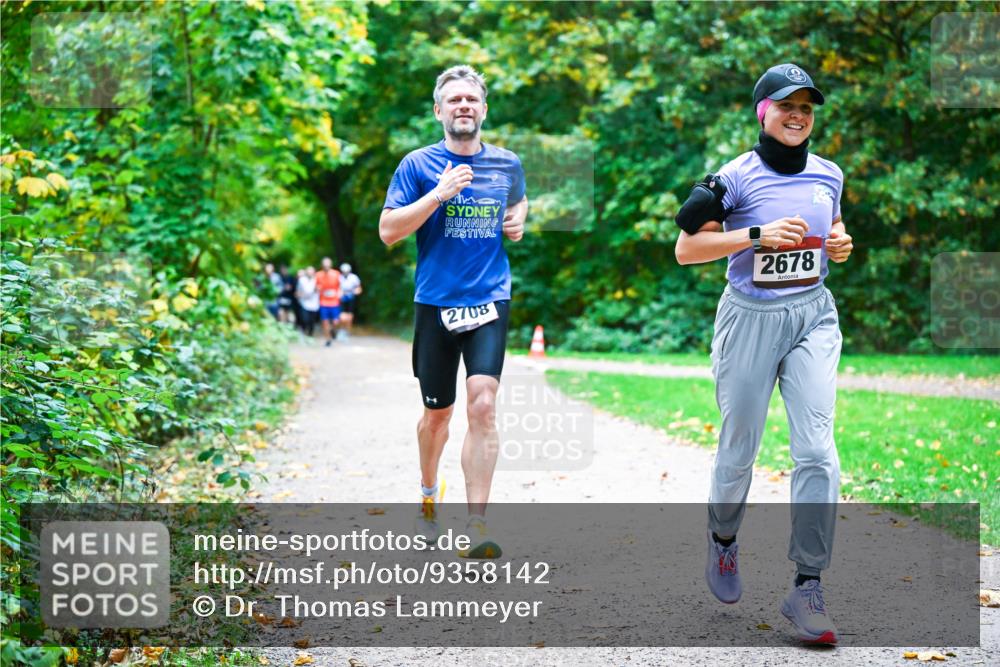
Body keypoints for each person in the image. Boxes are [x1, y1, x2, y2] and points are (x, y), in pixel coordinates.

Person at [674, 63, 853, 645]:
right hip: (749, 318)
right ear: (763, 112)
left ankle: (808, 584)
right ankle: (723, 539)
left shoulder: (829, 174)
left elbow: (833, 228)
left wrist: (840, 243)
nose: (797, 115)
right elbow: (685, 248)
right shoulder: (737, 176)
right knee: (739, 447)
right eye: (785, 106)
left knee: (817, 451)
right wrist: (755, 235)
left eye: (806, 107)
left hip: (812, 314)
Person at [379, 65, 527, 558]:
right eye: (454, 100)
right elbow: (388, 231)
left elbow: (519, 201)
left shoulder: (506, 163)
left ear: (484, 109)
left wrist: (517, 221)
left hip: (489, 298)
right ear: (438, 111)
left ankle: (476, 525)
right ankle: (428, 496)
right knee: (437, 416)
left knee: (483, 404)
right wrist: (439, 195)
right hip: (435, 302)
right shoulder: (417, 165)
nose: (464, 106)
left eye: (471, 99)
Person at [315, 257, 342, 347]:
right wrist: (317, 289)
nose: (326, 266)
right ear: (322, 265)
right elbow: (315, 287)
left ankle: (333, 330)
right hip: (323, 302)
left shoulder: (336, 274)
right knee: (325, 322)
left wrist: (340, 293)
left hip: (334, 301)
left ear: (330, 265)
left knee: (335, 322)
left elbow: (340, 286)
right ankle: (328, 340)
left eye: (328, 264)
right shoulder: (318, 275)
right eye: (324, 265)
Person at [337, 263, 362, 340]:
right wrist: (339, 293)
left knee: (350, 316)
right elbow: (336, 288)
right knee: (342, 316)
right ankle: (341, 330)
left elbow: (359, 288)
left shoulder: (354, 278)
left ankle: (347, 332)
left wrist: (355, 292)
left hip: (351, 298)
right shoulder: (339, 278)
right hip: (342, 298)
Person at [296, 266, 320, 338]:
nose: (310, 273)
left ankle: (310, 334)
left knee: (312, 321)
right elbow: (298, 291)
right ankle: (304, 331)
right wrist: (299, 296)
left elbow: (320, 289)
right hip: (304, 303)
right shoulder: (301, 280)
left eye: (311, 271)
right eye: (308, 271)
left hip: (314, 304)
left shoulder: (317, 279)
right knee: (305, 319)